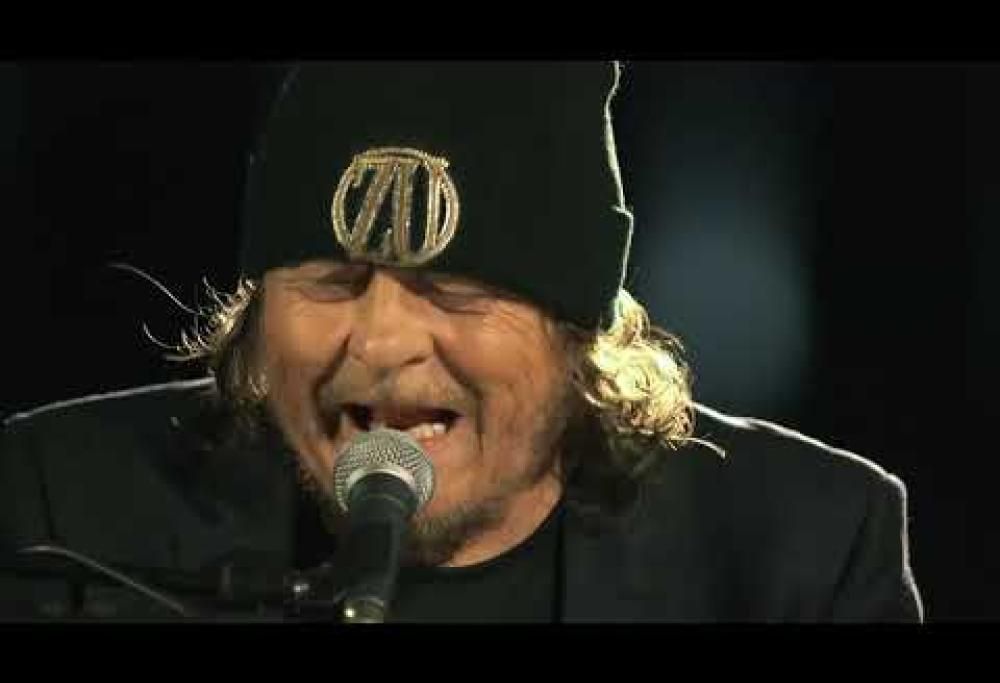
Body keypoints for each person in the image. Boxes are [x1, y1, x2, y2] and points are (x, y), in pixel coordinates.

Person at [0, 62, 923, 622]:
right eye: (332, 279)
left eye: (456, 289)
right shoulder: (60, 511)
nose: (382, 339)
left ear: (578, 328)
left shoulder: (798, 557)